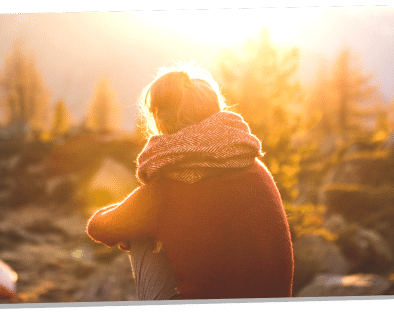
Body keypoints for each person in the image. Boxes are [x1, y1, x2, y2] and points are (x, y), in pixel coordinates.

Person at [86, 63, 294, 300]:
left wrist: (133, 220)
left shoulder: (167, 187)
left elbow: (99, 227)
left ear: (160, 122)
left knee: (141, 234)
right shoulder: (253, 166)